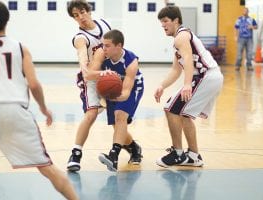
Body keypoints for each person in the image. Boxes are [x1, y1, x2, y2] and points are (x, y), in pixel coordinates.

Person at [0, 1, 78, 199]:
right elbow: (34, 85)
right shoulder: (20, 48)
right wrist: (44, 108)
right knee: (48, 168)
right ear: (7, 21)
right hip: (16, 112)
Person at [155, 6, 223, 167]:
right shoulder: (179, 40)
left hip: (206, 75)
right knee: (184, 115)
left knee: (170, 108)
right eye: (161, 22)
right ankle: (193, 155)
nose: (163, 25)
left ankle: (177, 154)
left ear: (176, 20)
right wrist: (162, 86)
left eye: (165, 21)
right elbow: (176, 69)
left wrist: (187, 85)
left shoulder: (182, 36)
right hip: (209, 77)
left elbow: (188, 60)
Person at [85, 29, 144, 171]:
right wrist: (102, 73)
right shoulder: (101, 53)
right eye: (103, 45)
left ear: (119, 46)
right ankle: (134, 148)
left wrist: (113, 97)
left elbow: (125, 93)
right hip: (112, 89)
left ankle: (113, 156)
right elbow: (89, 75)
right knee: (118, 127)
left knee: (120, 116)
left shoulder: (131, 61)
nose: (103, 48)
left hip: (132, 88)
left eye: (107, 45)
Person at [66, 0, 111, 172]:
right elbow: (81, 53)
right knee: (91, 114)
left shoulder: (104, 24)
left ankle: (133, 147)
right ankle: (75, 154)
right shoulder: (80, 37)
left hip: (109, 76)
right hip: (92, 79)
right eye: (76, 16)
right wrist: (84, 65)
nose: (80, 17)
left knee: (117, 118)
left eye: (82, 12)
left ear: (89, 11)